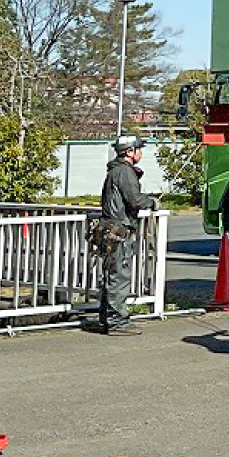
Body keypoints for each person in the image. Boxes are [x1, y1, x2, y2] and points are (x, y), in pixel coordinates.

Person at [96, 135, 157, 336]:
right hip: (118, 230)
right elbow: (135, 200)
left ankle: (107, 319)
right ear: (129, 152)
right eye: (138, 149)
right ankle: (116, 322)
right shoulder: (124, 172)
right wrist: (152, 203)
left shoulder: (115, 170)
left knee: (111, 274)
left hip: (110, 229)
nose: (141, 152)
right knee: (119, 276)